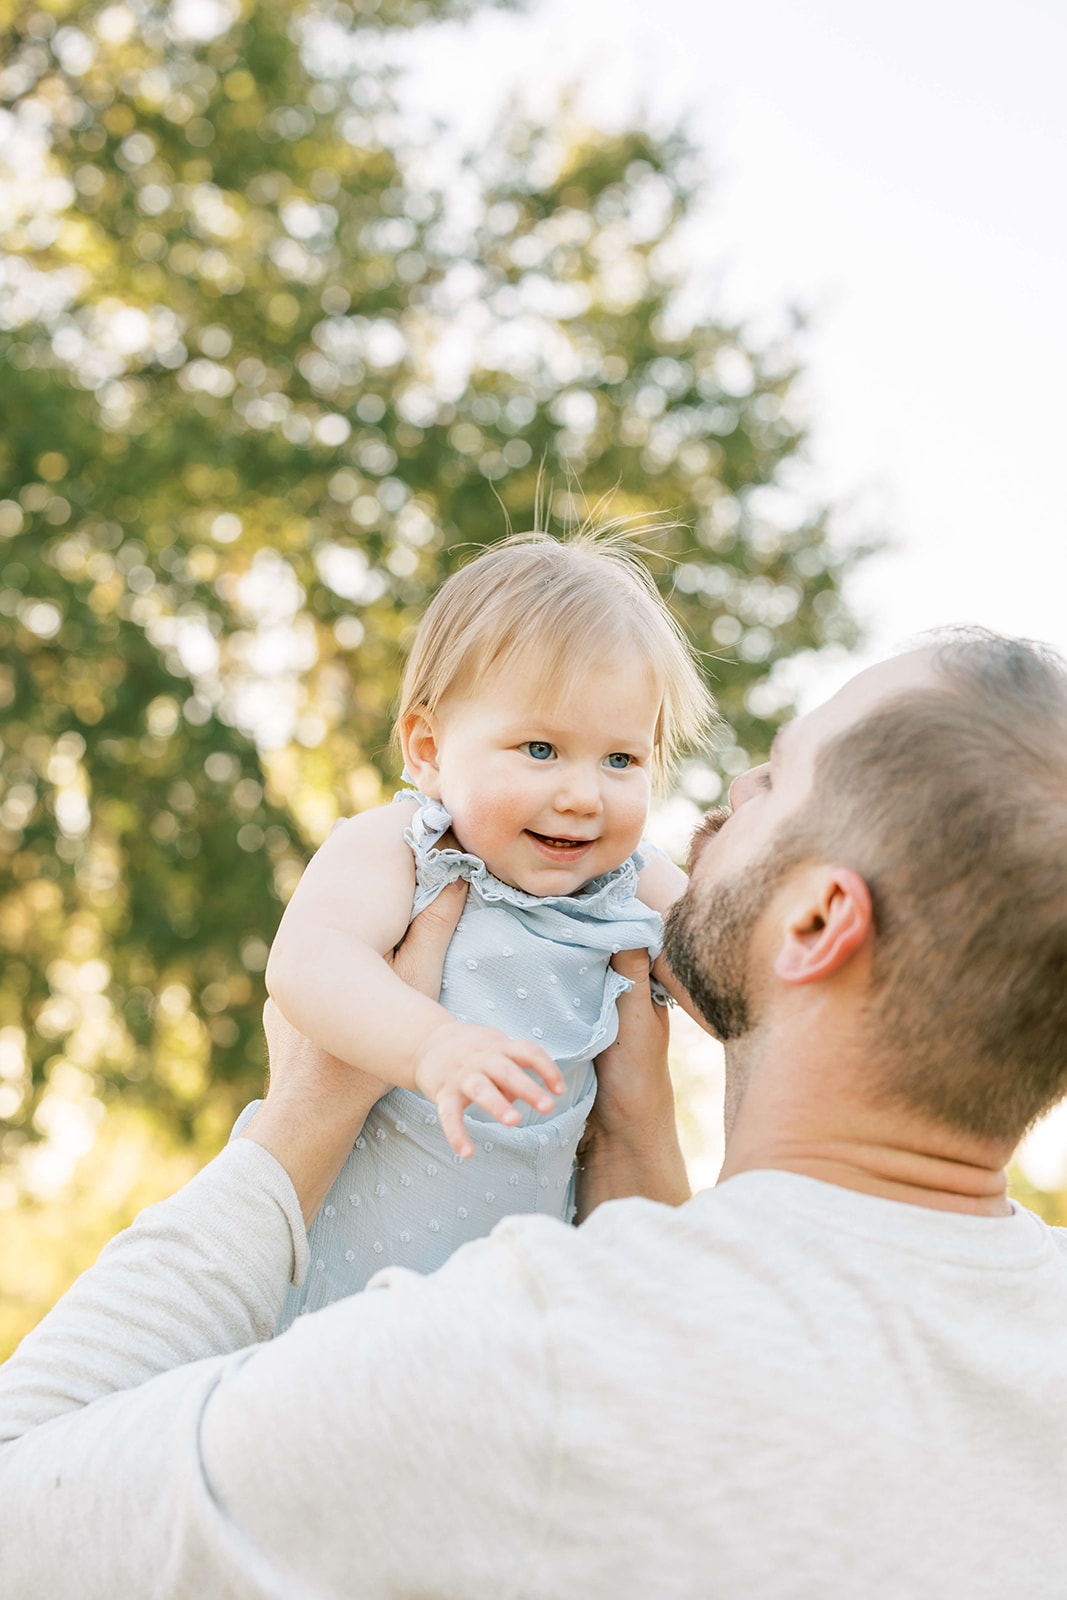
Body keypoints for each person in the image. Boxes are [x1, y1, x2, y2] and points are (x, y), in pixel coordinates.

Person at [3, 628, 1067, 1600]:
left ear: (820, 917)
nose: (730, 783)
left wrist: (301, 1119)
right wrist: (634, 1139)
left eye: (776, 779)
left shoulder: (528, 1361)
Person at [256, 530, 712, 1322]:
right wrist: (429, 1044)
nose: (582, 796)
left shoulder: (628, 878)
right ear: (429, 750)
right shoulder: (403, 846)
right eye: (540, 749)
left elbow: (729, 976)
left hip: (510, 1308)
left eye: (620, 760)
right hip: (335, 1281)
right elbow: (307, 961)